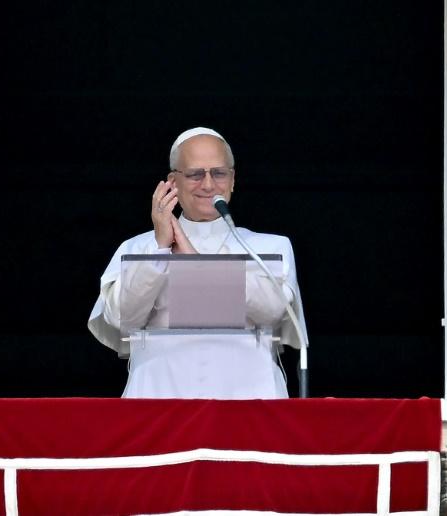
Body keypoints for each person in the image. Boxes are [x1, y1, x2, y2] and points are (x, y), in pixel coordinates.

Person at [88, 127, 307, 399]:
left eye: (218, 173)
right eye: (194, 174)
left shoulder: (269, 247)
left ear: (233, 179)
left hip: (250, 400)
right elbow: (122, 318)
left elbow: (272, 311)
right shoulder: (138, 247)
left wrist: (193, 262)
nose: (207, 185)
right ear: (172, 182)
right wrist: (160, 250)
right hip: (158, 401)